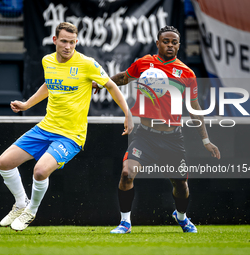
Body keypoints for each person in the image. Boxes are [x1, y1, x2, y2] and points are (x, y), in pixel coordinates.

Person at [0, 22, 133, 231]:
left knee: (40, 172)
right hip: (45, 128)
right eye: (64, 41)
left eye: (72, 42)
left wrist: (128, 114)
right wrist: (27, 104)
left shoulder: (87, 64)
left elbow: (111, 86)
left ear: (76, 42)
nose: (68, 46)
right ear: (55, 41)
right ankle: (20, 203)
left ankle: (31, 211)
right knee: (3, 163)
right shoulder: (47, 61)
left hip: (70, 136)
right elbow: (48, 85)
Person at [94, 25, 221, 234]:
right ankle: (125, 223)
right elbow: (124, 78)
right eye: (166, 41)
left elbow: (195, 109)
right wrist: (102, 82)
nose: (170, 45)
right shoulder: (145, 63)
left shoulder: (187, 74)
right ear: (157, 43)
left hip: (172, 138)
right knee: (127, 173)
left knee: (181, 185)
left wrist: (206, 140)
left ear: (179, 45)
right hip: (145, 135)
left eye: (174, 42)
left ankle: (181, 217)